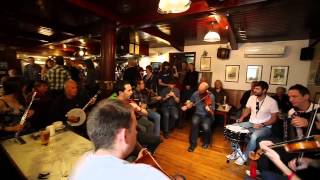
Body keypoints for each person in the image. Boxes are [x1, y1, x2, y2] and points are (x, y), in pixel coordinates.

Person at [69, 100, 169, 180]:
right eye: (135, 128)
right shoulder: (146, 174)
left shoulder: (80, 163)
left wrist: (133, 164)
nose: (136, 132)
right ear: (124, 135)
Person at [254, 84, 320, 179]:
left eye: (294, 96)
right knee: (262, 141)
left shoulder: (317, 109)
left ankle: (275, 173)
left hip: (312, 150)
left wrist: (308, 123)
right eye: (289, 97)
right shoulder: (292, 111)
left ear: (306, 97)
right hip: (294, 144)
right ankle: (264, 172)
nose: (290, 99)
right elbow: (289, 135)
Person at [234, 81, 279, 165]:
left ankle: (244, 156)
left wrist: (262, 124)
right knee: (233, 128)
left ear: (264, 90)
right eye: (254, 88)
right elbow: (248, 110)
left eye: (257, 89)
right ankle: (237, 152)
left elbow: (274, 119)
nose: (254, 90)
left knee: (254, 136)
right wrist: (242, 118)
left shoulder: (272, 102)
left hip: (265, 127)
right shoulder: (251, 98)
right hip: (251, 123)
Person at [181, 81, 215, 152]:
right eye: (199, 90)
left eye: (201, 91)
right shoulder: (195, 93)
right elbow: (191, 102)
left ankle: (206, 142)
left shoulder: (211, 96)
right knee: (194, 124)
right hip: (197, 114)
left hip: (207, 115)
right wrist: (187, 106)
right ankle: (192, 144)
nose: (199, 92)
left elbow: (212, 111)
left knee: (206, 127)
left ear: (206, 90)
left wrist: (209, 109)